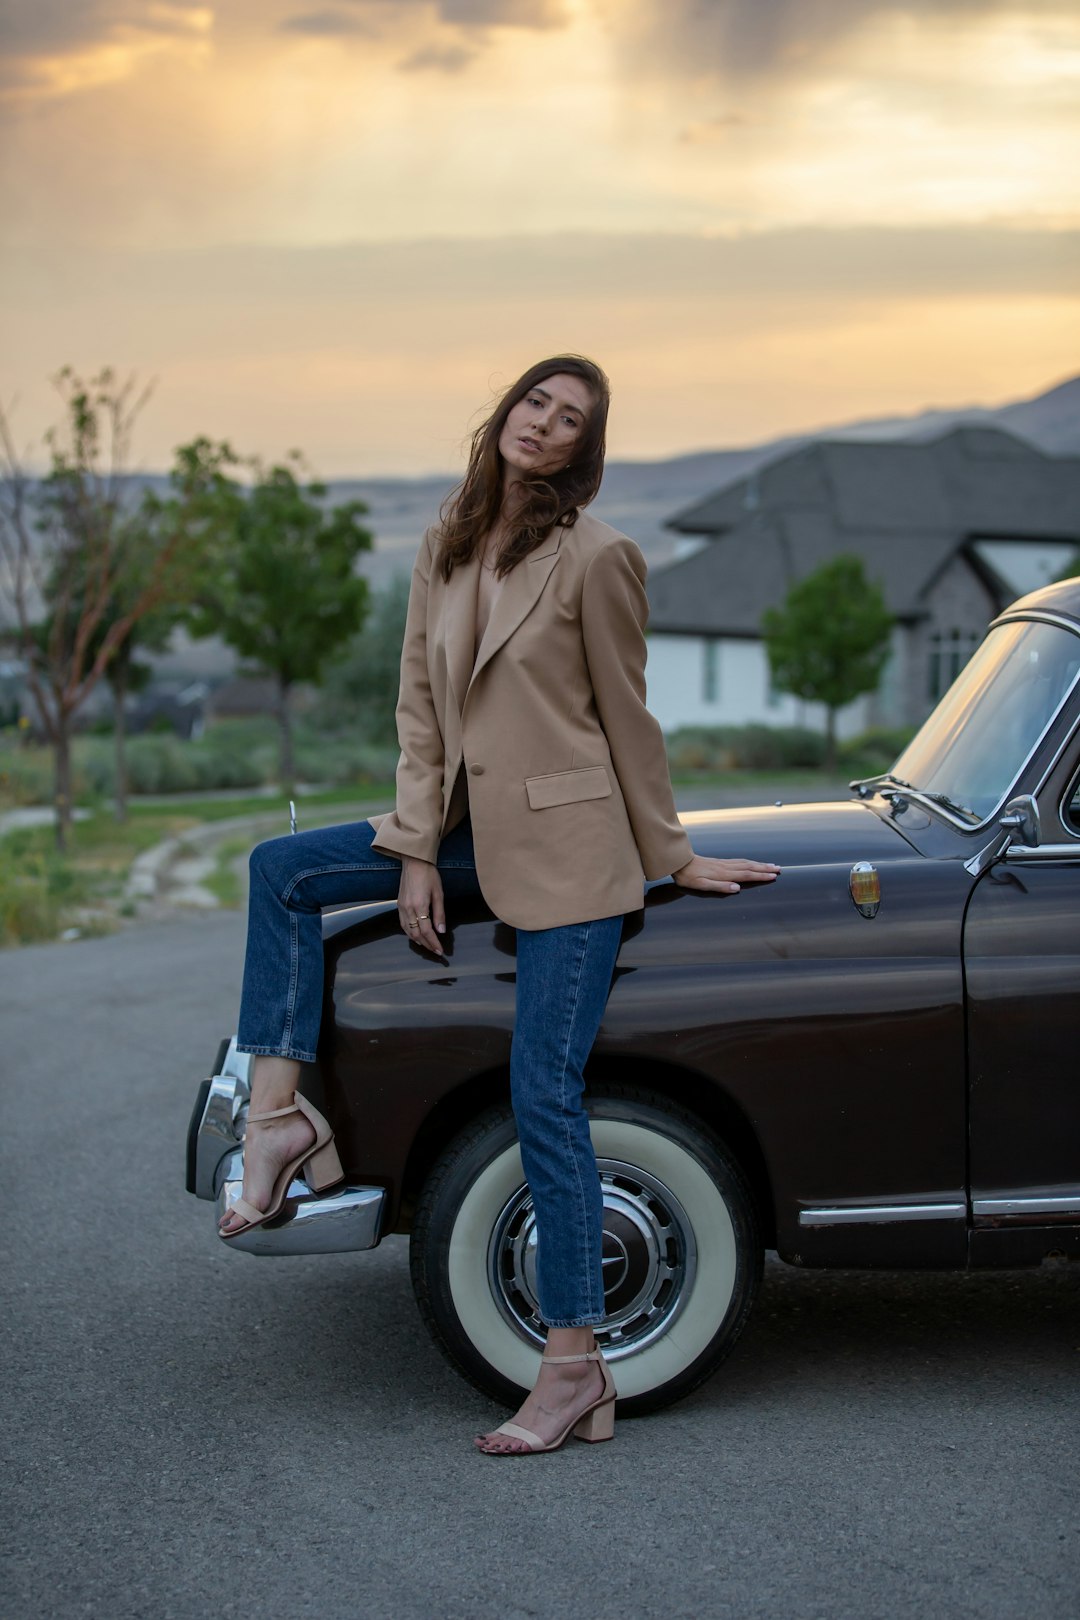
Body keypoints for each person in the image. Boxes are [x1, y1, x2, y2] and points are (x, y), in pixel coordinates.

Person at [219, 355, 780, 1455]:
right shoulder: (445, 542)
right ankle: (278, 1119)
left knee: (545, 1099)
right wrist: (417, 849)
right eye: (537, 402)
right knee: (280, 872)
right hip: (471, 839)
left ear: (583, 450)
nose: (546, 424)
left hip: (574, 857)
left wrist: (675, 854)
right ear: (508, 411)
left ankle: (573, 1370)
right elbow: (421, 712)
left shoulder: (600, 558)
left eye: (572, 419)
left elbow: (631, 719)